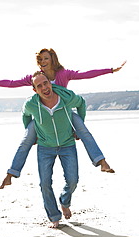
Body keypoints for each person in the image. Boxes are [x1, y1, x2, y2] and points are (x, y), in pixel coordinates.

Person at [0, 48, 125, 188]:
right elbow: (11, 83)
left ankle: (102, 162)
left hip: (64, 112)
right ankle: (10, 174)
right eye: (40, 59)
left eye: (46, 58)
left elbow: (86, 74)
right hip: (43, 115)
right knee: (26, 140)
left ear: (53, 59)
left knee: (84, 131)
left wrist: (111, 70)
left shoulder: (63, 74)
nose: (43, 62)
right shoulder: (36, 77)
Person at [25, 71, 85, 228]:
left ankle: (65, 201)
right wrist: (32, 134)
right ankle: (54, 216)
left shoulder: (65, 98)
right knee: (45, 183)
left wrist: (79, 127)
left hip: (67, 144)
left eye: (46, 83)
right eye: (39, 86)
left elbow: (81, 103)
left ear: (50, 82)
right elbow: (25, 115)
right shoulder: (31, 104)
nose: (44, 87)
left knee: (73, 180)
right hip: (45, 147)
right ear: (35, 90)